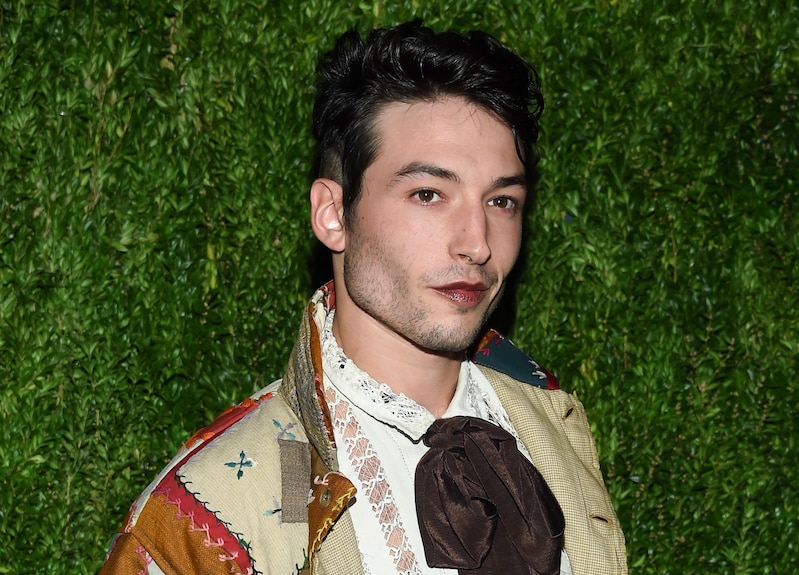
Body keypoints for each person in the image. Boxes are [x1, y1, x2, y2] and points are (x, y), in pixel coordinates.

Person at [100, 21, 627, 575]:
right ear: (333, 214)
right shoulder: (220, 504)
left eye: (502, 201)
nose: (476, 243)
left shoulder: (551, 422)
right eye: (428, 194)